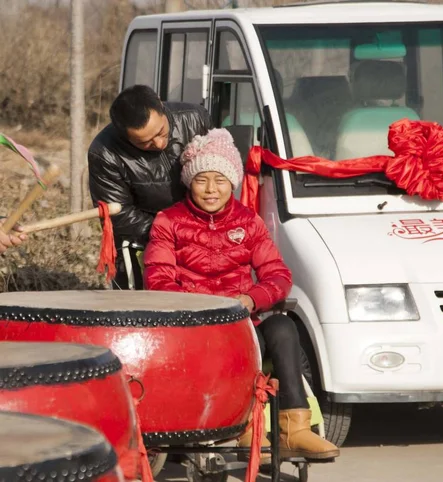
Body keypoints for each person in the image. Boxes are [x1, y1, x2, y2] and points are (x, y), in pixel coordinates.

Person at [143, 129, 340, 461]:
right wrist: (199, 310)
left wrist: (250, 299)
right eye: (202, 180)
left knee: (282, 327)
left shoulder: (248, 222)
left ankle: (295, 427)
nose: (211, 189)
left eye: (219, 180)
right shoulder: (169, 221)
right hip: (193, 333)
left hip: (242, 327)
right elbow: (159, 280)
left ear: (232, 182)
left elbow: (278, 275)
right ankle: (246, 428)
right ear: (189, 182)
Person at [88, 84, 212, 289]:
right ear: (125, 137)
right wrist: (169, 233)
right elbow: (119, 215)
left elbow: (219, 173)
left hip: (200, 226)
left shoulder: (195, 118)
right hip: (143, 234)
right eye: (145, 143)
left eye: (162, 132)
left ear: (161, 105)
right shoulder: (105, 152)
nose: (159, 144)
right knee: (143, 308)